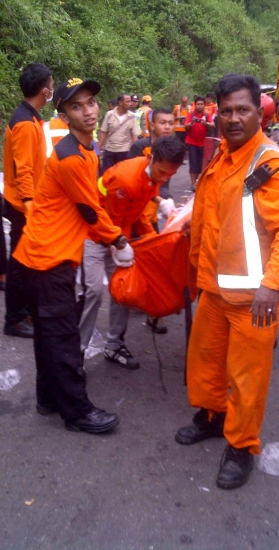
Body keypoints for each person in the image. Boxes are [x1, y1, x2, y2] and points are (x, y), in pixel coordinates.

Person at [175, 74, 279, 490]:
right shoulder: (221, 157)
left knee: (247, 379)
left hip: (255, 299)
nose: (233, 118)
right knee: (205, 363)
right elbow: (212, 219)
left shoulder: (267, 164)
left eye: (242, 110)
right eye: (226, 110)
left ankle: (242, 445)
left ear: (259, 114)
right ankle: (214, 418)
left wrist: (272, 284)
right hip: (214, 289)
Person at [12, 77, 130, 433]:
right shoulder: (69, 158)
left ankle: (47, 397)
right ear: (63, 114)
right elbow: (91, 212)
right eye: (76, 106)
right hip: (46, 261)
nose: (88, 111)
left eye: (91, 102)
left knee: (50, 335)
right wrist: (120, 243)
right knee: (63, 338)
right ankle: (77, 412)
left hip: (38, 255)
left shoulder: (85, 149)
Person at [79, 136, 184, 370]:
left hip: (118, 234)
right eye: (162, 172)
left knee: (124, 290)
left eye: (170, 175)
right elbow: (113, 220)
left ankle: (114, 345)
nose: (164, 178)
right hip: (94, 235)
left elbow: (140, 207)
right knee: (94, 292)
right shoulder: (126, 180)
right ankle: (77, 352)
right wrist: (121, 245)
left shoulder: (153, 171)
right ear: (150, 158)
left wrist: (161, 205)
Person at [3, 62, 53, 339]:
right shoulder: (24, 123)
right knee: (20, 265)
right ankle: (14, 319)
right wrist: (32, 207)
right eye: (52, 84)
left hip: (29, 204)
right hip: (22, 206)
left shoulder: (32, 119)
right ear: (44, 90)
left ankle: (28, 310)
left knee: (27, 263)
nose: (52, 88)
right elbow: (23, 170)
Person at [127, 107, 179, 335]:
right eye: (162, 122)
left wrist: (168, 203)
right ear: (152, 125)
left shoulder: (173, 151)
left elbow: (164, 183)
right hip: (134, 214)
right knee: (132, 260)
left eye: (170, 122)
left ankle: (153, 313)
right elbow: (136, 182)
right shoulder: (140, 148)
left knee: (156, 262)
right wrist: (161, 200)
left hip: (152, 215)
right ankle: (130, 295)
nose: (167, 126)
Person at [97, 93, 139, 173]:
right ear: (120, 102)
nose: (130, 104)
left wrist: (135, 153)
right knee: (107, 175)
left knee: (122, 175)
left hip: (125, 151)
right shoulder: (109, 114)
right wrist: (98, 149)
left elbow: (134, 135)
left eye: (130, 101)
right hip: (109, 151)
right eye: (127, 101)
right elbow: (104, 132)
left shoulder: (132, 116)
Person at [185, 95, 215, 191]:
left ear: (204, 105)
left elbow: (213, 125)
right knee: (193, 163)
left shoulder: (207, 115)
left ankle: (198, 181)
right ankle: (193, 184)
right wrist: (191, 123)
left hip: (203, 143)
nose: (200, 106)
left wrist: (206, 124)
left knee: (201, 163)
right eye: (198, 104)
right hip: (191, 142)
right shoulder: (190, 115)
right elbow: (185, 127)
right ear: (195, 105)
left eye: (201, 104)